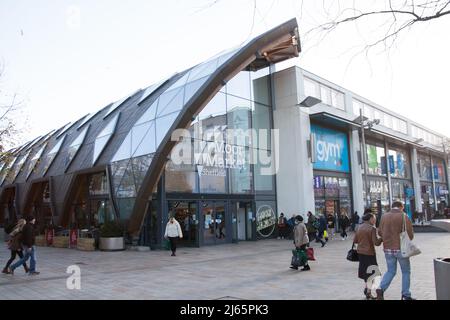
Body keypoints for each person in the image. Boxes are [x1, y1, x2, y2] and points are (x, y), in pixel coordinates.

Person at [376, 201, 415, 300]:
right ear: (401, 207)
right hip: (401, 248)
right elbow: (410, 234)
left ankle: (381, 288)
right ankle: (406, 294)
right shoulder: (403, 216)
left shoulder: (384, 216)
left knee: (390, 271)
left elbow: (380, 232)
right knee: (406, 271)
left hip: (387, 248)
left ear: (392, 207)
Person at [353, 212, 383, 300]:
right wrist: (382, 238)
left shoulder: (359, 227)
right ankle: (368, 291)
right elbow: (376, 243)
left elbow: (355, 240)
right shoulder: (372, 228)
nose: (375, 220)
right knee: (373, 273)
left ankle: (367, 290)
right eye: (374, 218)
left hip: (361, 253)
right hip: (369, 253)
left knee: (367, 273)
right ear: (370, 219)